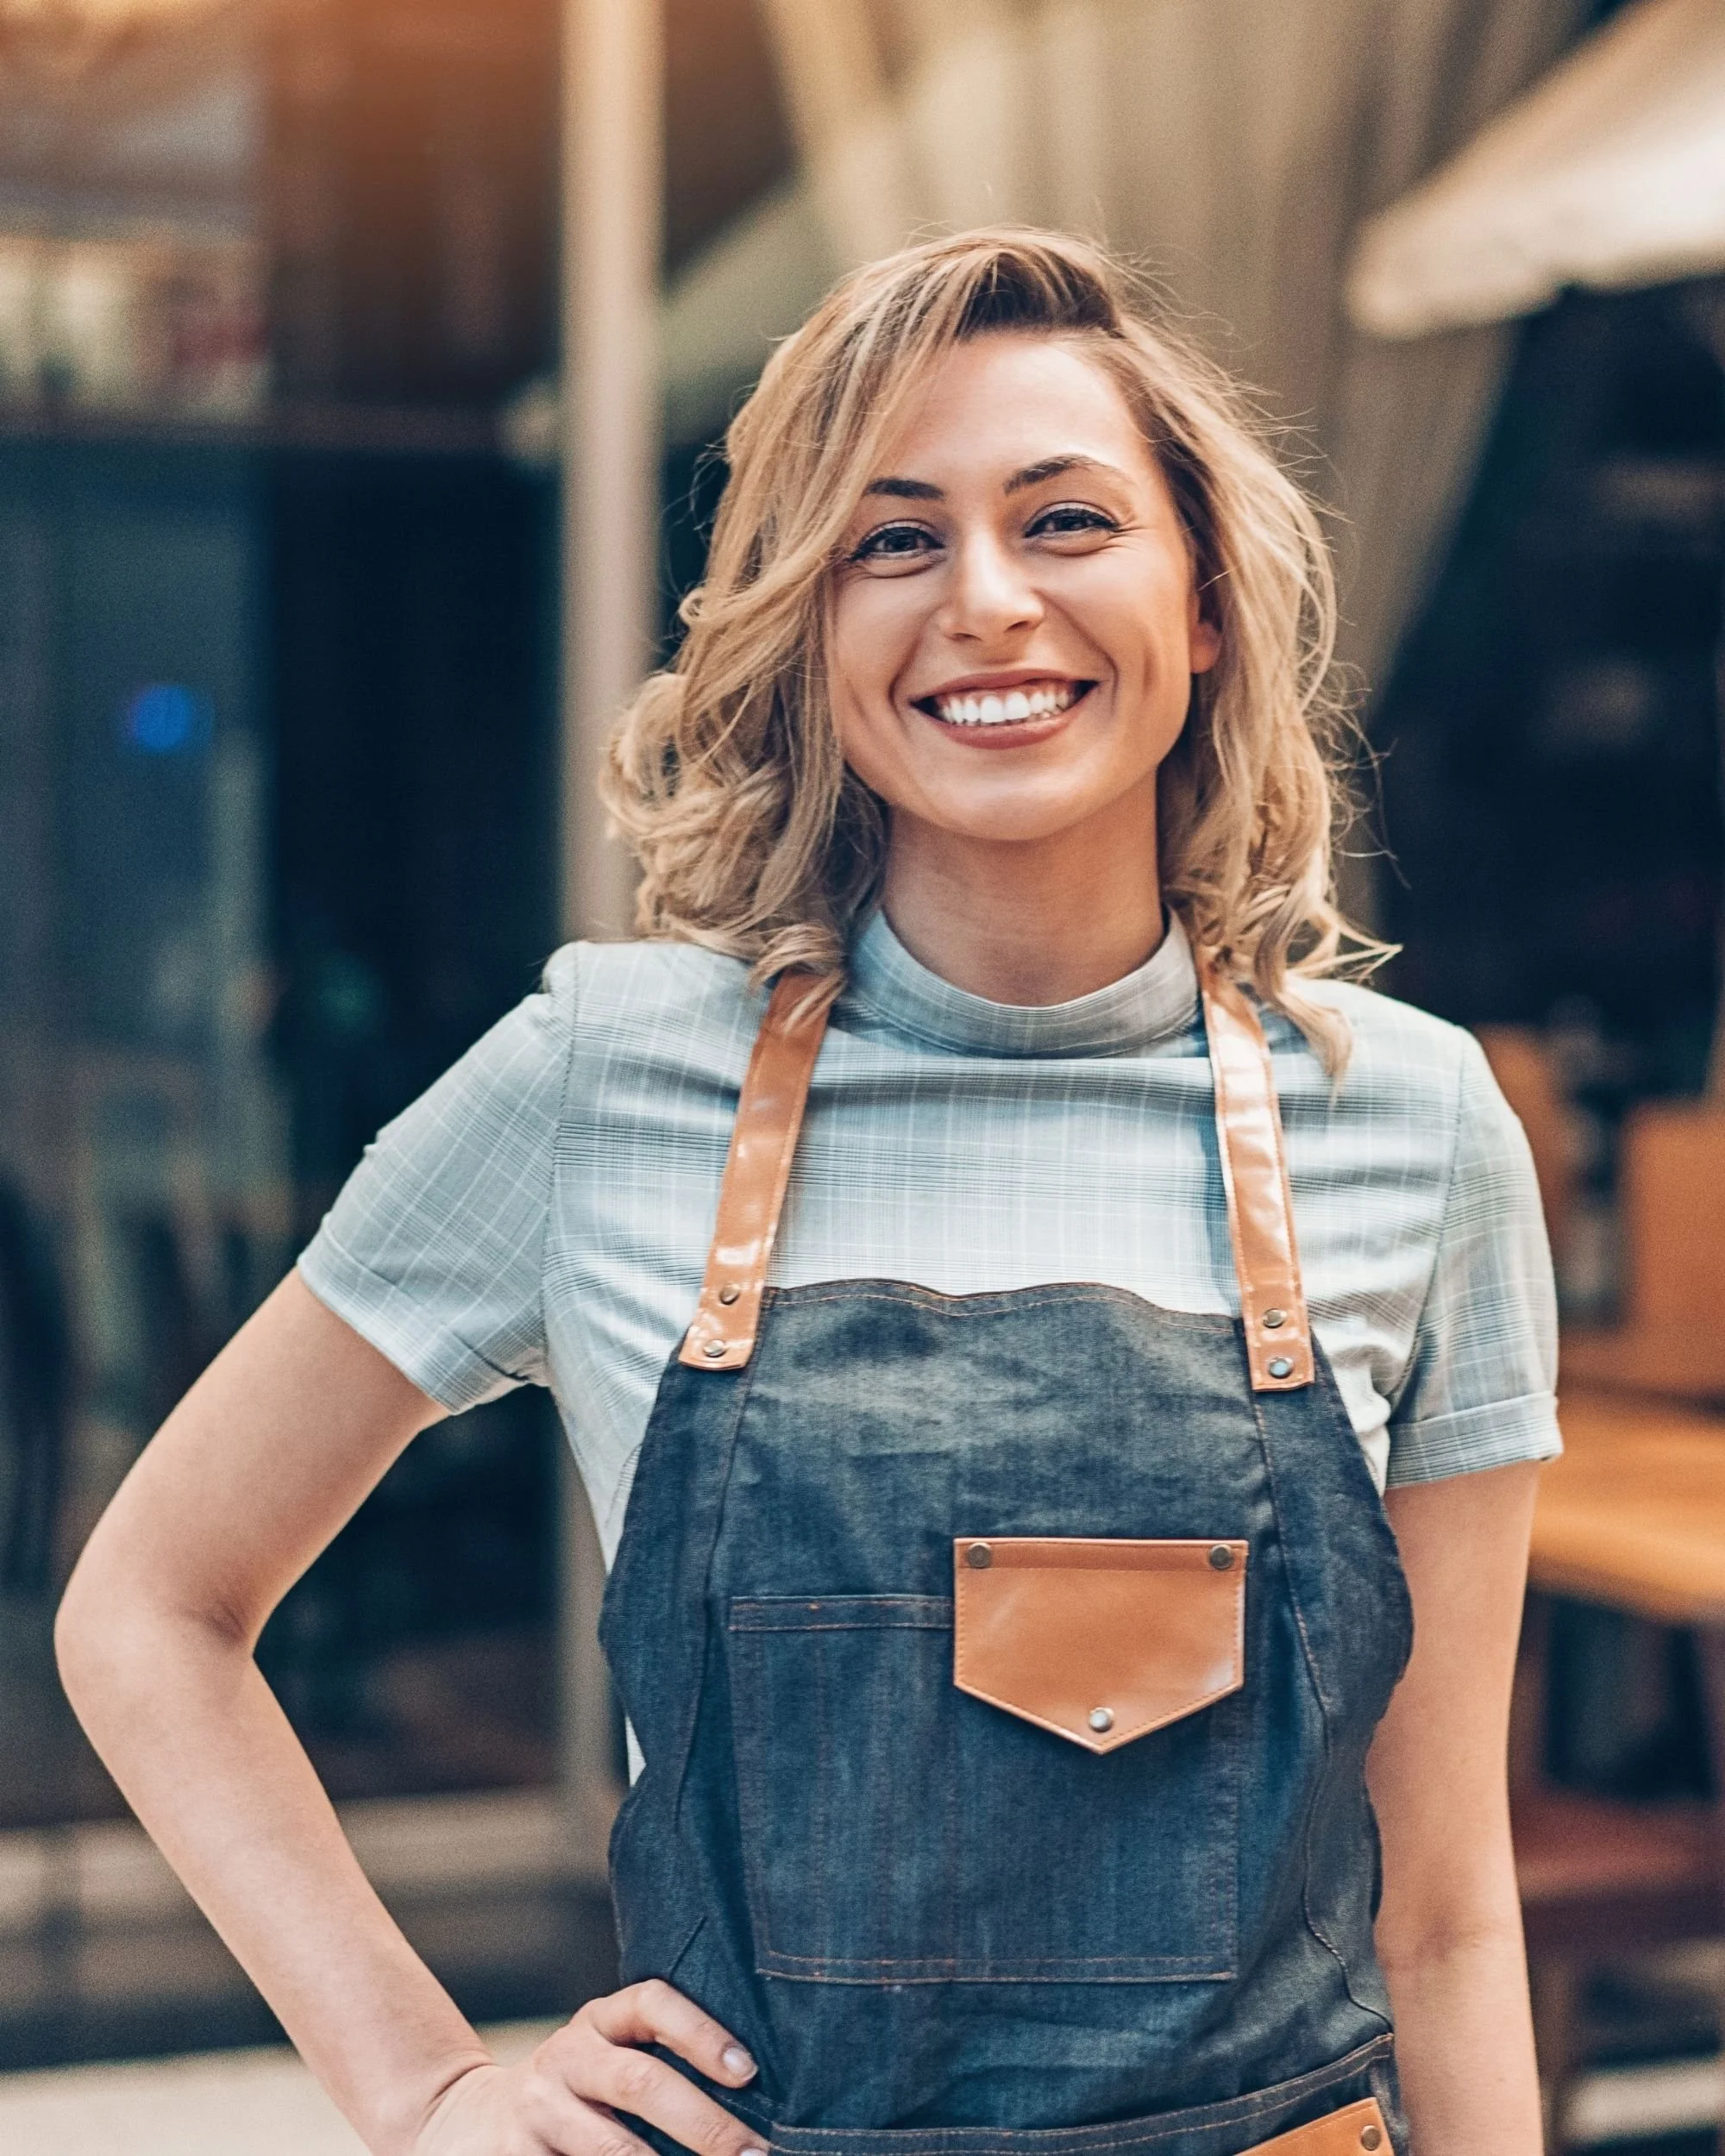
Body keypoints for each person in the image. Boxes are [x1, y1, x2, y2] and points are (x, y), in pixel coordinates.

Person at [57, 230, 1559, 2156]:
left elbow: (1440, 1911)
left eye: (1068, 518)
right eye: (893, 538)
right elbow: (151, 1604)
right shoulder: (603, 1072)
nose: (988, 602)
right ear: (806, 623)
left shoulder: (1414, 1122)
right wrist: (425, 2083)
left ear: (1202, 607)